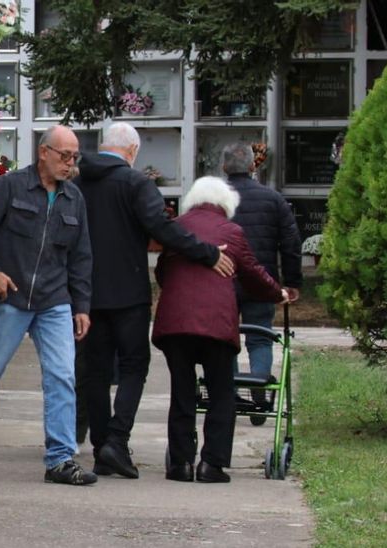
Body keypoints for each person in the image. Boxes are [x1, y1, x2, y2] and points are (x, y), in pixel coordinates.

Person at [73, 123, 236, 479]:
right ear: (132, 150)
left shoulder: (77, 182)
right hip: (129, 292)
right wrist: (206, 253)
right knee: (134, 366)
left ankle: (102, 448)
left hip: (85, 292)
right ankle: (117, 439)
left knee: (96, 372)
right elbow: (161, 228)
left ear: (104, 146)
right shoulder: (135, 183)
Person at [0, 125, 98, 485]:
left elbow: (82, 256)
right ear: (44, 152)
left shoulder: (74, 199)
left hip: (54, 300)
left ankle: (60, 458)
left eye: (75, 157)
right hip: (10, 297)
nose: (70, 164)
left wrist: (82, 305)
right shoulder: (12, 186)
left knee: (62, 374)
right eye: (65, 156)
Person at [153, 176, 288, 483]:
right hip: (216, 325)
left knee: (183, 391)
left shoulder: (177, 227)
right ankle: (211, 464)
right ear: (226, 204)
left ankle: (180, 463)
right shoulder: (232, 231)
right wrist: (277, 293)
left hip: (175, 325)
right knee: (221, 393)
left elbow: (162, 271)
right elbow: (253, 274)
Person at [221, 143, 302, 417]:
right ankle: (259, 393)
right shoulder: (273, 199)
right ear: (253, 166)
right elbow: (291, 242)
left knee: (225, 339)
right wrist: (292, 282)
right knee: (260, 338)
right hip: (261, 280)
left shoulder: (215, 199)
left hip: (223, 280)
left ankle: (228, 395)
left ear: (224, 168)